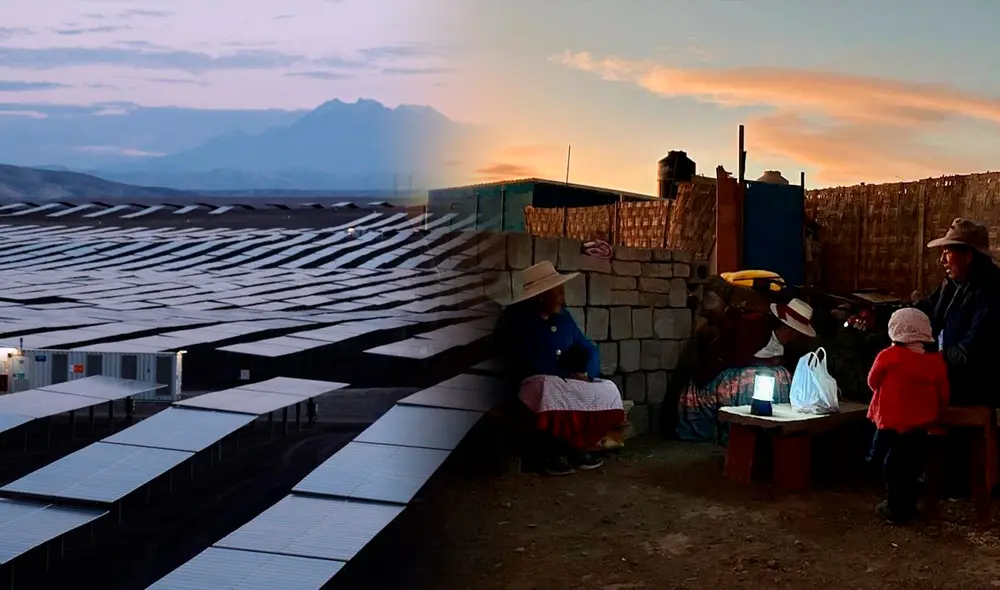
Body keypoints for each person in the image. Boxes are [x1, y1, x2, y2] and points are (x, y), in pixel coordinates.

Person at [495, 261, 626, 476]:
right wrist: (567, 375)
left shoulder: (564, 318)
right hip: (533, 384)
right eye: (558, 293)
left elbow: (587, 347)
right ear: (541, 295)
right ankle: (550, 453)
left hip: (568, 381)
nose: (562, 298)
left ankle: (578, 446)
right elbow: (526, 361)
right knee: (549, 388)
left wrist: (586, 373)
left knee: (607, 389)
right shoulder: (519, 321)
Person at [675, 298, 816, 442]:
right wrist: (770, 362)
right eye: (796, 332)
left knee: (781, 375)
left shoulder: (790, 347)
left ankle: (771, 429)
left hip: (753, 375)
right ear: (787, 328)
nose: (796, 337)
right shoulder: (753, 326)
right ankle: (741, 432)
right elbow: (737, 358)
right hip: (721, 375)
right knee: (752, 379)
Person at [866, 308, 950, 524]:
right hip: (920, 425)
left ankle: (895, 509)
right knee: (911, 466)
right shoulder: (935, 362)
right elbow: (944, 392)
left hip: (890, 421)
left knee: (891, 466)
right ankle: (909, 507)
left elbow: (872, 381)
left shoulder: (888, 356)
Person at [915, 218, 1000, 406]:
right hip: (953, 373)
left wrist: (927, 361)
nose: (941, 260)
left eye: (947, 252)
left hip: (978, 384)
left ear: (968, 255)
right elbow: (925, 310)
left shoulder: (990, 291)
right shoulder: (953, 285)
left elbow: (970, 353)